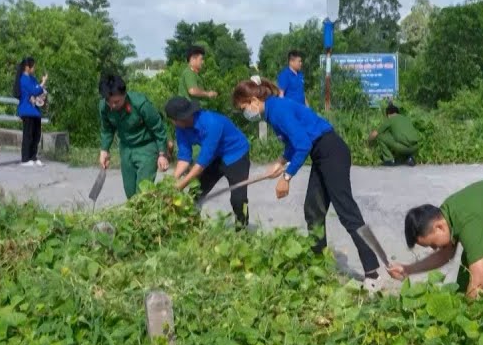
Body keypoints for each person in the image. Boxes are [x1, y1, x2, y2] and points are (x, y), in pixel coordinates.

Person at [231, 78, 384, 291]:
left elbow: (303, 144)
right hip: (322, 155)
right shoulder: (272, 110)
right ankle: (317, 264)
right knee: (313, 210)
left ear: (254, 100)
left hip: (332, 152)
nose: (246, 113)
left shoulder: (277, 110)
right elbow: (294, 141)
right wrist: (280, 162)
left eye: (244, 108)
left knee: (346, 210)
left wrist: (286, 178)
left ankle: (373, 273)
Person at [165, 97, 252, 226]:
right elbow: (184, 158)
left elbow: (200, 165)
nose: (172, 122)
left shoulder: (212, 123)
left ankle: (242, 232)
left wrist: (181, 185)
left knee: (238, 200)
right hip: (216, 156)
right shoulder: (180, 128)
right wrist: (172, 182)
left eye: (172, 119)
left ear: (180, 118)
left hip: (236, 155)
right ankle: (193, 227)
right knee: (195, 194)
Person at [98, 74, 172, 200]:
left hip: (146, 147)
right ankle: (136, 218)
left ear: (124, 94)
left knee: (143, 193)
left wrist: (162, 154)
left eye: (117, 102)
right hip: (126, 149)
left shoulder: (140, 103)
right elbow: (107, 129)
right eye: (109, 102)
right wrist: (104, 150)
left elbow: (158, 128)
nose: (113, 106)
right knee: (130, 193)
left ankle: (144, 217)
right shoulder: (104, 107)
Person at [13, 56, 47, 167]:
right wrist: (43, 82)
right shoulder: (23, 79)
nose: (34, 69)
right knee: (28, 135)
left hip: (34, 111)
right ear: (27, 67)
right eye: (33, 67)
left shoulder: (32, 78)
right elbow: (35, 90)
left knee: (36, 134)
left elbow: (38, 90)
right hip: (26, 110)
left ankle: (33, 157)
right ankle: (25, 159)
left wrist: (41, 88)